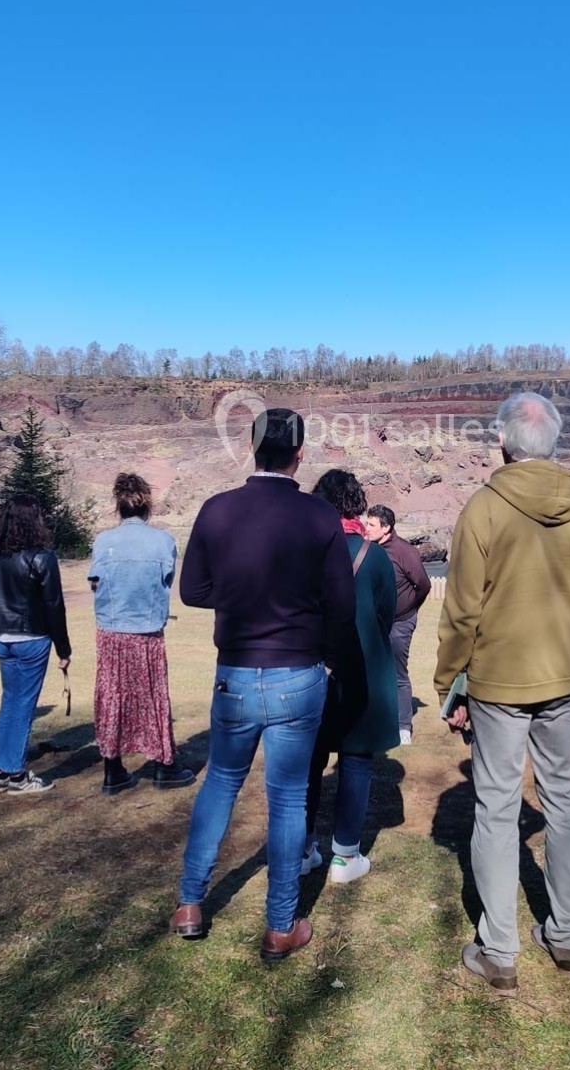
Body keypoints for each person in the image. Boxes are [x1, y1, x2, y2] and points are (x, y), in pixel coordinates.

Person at [434, 392, 570, 996]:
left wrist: (449, 685)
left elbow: (462, 611)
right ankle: (565, 932)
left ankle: (500, 951)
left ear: (502, 441)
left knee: (495, 808)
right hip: (561, 682)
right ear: (556, 443)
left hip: (496, 683)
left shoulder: (483, 508)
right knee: (564, 800)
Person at [169, 409, 356, 960]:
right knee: (288, 798)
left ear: (250, 449)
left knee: (221, 784)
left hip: (236, 671)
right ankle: (281, 924)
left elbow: (192, 591)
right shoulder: (318, 516)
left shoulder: (218, 509)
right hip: (298, 670)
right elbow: (341, 607)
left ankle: (189, 903)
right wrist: (330, 659)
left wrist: (239, 594)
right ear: (300, 454)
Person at [303, 470, 398, 884]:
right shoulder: (374, 556)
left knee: (309, 761)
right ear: (357, 504)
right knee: (357, 761)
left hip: (312, 667)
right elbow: (386, 615)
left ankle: (304, 848)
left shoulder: (305, 551)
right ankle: (345, 855)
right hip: (363, 666)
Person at [89, 473, 194, 795]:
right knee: (152, 695)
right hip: (146, 632)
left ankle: (112, 768)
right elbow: (165, 579)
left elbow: (95, 582)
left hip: (111, 632)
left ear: (117, 505)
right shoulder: (163, 541)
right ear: (147, 505)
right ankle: (164, 765)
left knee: (112, 696)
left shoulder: (103, 541)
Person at [0, 494, 71, 796]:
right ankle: (17, 774)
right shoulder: (42, 555)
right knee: (22, 705)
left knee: (10, 702)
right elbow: (54, 605)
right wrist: (64, 649)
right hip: (31, 637)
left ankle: (2, 770)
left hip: (2, 637)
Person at [366, 504, 431, 744]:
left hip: (399, 624)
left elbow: (423, 585)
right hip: (375, 624)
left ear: (386, 527)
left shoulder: (404, 551)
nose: (367, 528)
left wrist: (408, 609)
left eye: (372, 524)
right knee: (374, 672)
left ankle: (403, 727)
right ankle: (378, 720)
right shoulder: (370, 549)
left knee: (398, 674)